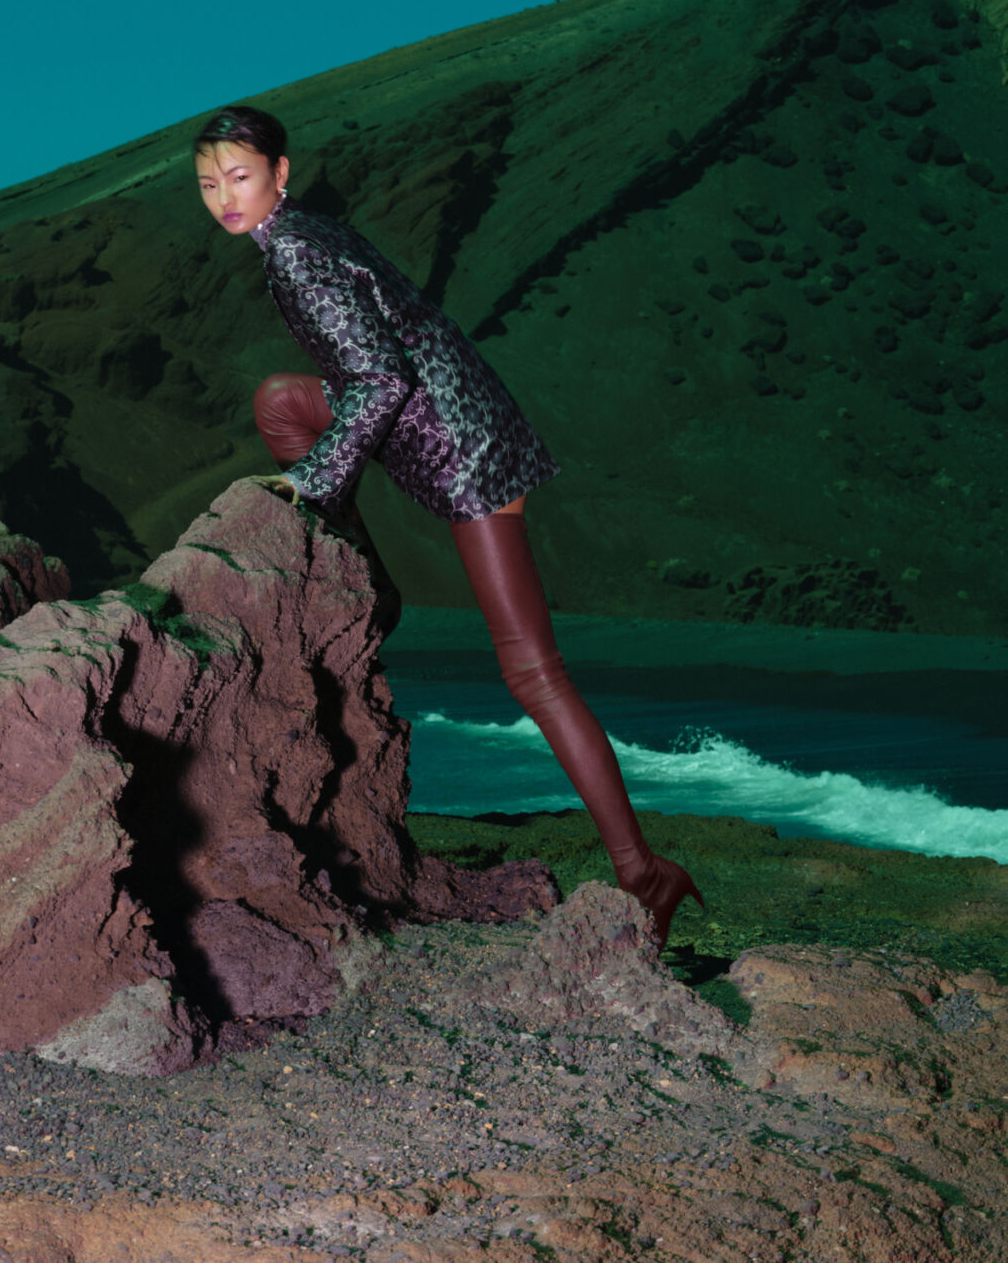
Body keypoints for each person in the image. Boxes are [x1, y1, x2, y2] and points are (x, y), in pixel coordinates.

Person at [194, 104, 703, 949]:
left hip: (464, 447)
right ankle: (366, 581)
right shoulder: (300, 235)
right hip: (443, 415)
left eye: (239, 177)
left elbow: (381, 380)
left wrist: (315, 478)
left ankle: (642, 869)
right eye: (209, 184)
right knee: (281, 401)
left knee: (533, 674)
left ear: (280, 174)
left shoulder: (297, 250)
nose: (224, 197)